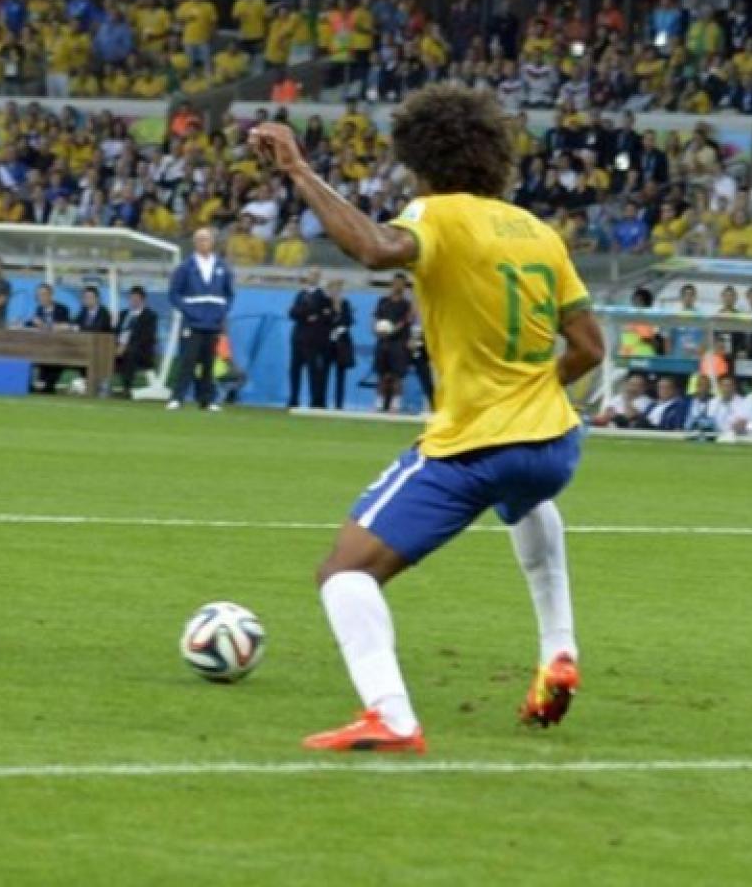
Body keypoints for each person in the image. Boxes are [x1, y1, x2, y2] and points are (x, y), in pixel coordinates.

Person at [250, 82, 605, 754]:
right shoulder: (540, 232)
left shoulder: (437, 213)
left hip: (475, 444)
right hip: (554, 444)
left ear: (421, 158)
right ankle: (559, 649)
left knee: (345, 573)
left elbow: (379, 250)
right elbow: (589, 349)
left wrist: (299, 170)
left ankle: (391, 715)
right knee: (526, 502)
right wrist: (530, 392)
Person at [166, 227, 234, 411]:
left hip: (213, 323)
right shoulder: (185, 267)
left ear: (212, 242)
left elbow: (229, 294)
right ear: (195, 243)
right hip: (193, 322)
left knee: (208, 362)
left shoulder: (222, 267)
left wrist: (221, 312)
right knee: (188, 361)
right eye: (200, 239)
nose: (203, 243)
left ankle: (207, 399)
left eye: (207, 239)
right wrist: (189, 311)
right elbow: (174, 294)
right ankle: (177, 397)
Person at [287, 268, 333, 410]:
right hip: (298, 337)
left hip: (314, 339)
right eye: (309, 274)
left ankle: (315, 400)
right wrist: (308, 315)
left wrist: (308, 314)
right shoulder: (301, 294)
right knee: (295, 369)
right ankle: (293, 399)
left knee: (313, 371)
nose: (311, 277)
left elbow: (325, 316)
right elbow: (293, 312)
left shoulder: (323, 297)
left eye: (314, 275)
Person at [372, 273, 413, 412]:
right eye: (396, 282)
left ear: (404, 286)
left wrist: (393, 330)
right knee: (382, 374)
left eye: (401, 283)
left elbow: (407, 320)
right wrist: (377, 329)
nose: (398, 286)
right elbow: (375, 318)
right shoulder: (383, 301)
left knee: (397, 376)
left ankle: (395, 405)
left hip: (399, 344)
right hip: (383, 342)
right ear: (392, 284)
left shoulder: (406, 304)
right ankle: (379, 403)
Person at [24, 282, 71, 392]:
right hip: (41, 348)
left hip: (59, 347)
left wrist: (45, 326)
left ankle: (48, 385)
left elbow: (66, 326)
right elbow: (32, 325)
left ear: (51, 295)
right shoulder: (38, 310)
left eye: (44, 294)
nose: (42, 297)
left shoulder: (62, 309)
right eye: (39, 295)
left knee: (53, 362)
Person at [114, 285, 158, 397]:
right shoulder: (123, 314)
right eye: (131, 298)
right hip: (119, 347)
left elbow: (147, 337)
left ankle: (126, 388)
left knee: (130, 352)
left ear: (143, 300)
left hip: (140, 352)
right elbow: (116, 332)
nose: (133, 301)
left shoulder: (150, 316)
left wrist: (124, 346)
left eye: (136, 299)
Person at [325, 278, 356, 410]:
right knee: (323, 373)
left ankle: (339, 404)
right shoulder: (325, 304)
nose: (335, 292)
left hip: (342, 344)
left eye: (338, 289)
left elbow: (349, 321)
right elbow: (324, 320)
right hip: (326, 343)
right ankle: (321, 402)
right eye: (333, 289)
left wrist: (339, 313)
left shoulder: (346, 304)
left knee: (340, 375)